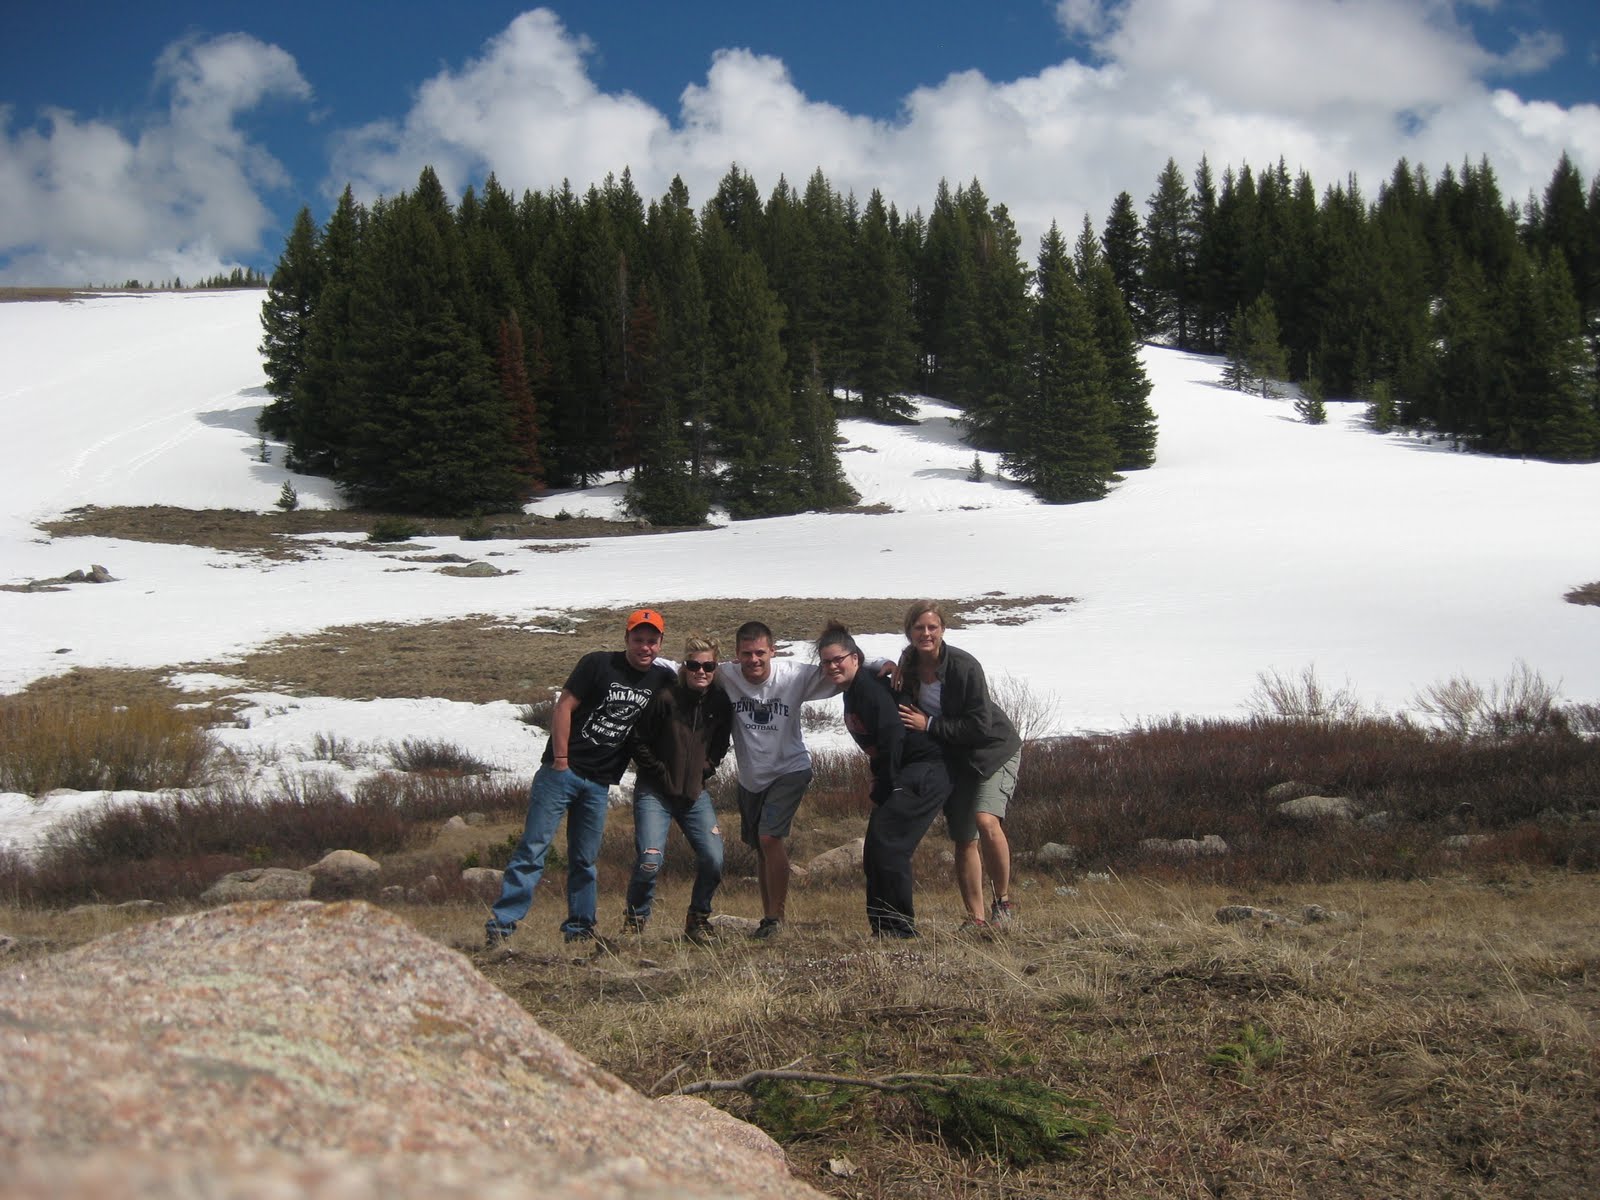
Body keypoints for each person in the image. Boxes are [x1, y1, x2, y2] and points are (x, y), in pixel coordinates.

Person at [485, 608, 674, 948]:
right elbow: (564, 706)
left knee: (584, 859)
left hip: (599, 783)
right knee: (533, 850)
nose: (645, 647)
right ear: (626, 639)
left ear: (660, 643)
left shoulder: (661, 679)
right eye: (638, 639)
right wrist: (560, 760)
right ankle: (502, 927)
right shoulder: (598, 663)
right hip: (563, 774)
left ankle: (581, 929)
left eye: (651, 641)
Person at [818, 622, 952, 938]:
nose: (833, 666)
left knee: (890, 846)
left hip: (925, 767)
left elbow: (893, 735)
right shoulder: (854, 691)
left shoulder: (869, 686)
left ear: (854, 658)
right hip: (901, 771)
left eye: (839, 659)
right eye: (826, 662)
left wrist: (887, 782)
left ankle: (901, 931)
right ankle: (883, 928)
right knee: (876, 850)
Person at [896, 601, 1023, 932]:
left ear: (942, 630)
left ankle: (1003, 903)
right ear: (909, 631)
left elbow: (980, 725)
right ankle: (975, 918)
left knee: (985, 819)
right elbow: (901, 665)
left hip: (993, 750)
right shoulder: (909, 663)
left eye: (932, 627)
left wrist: (931, 725)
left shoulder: (965, 667)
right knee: (963, 837)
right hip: (956, 758)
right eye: (919, 628)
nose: (926, 633)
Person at [716, 620, 842, 940]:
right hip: (750, 777)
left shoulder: (793, 676)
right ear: (736, 654)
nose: (754, 660)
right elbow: (685, 669)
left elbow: (839, 673)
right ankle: (767, 917)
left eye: (760, 652)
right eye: (747, 654)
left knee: (770, 838)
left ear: (773, 651)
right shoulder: (725, 675)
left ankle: (776, 917)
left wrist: (881, 666)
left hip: (790, 768)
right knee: (761, 846)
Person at [623, 634, 734, 943]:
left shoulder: (720, 702)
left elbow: (721, 744)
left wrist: (707, 768)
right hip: (655, 791)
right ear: (684, 666)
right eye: (693, 665)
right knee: (650, 859)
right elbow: (637, 740)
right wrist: (659, 771)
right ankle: (635, 922)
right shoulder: (666, 697)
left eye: (708, 666)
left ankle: (698, 919)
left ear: (716, 667)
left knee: (714, 858)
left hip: (693, 793)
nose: (701, 671)